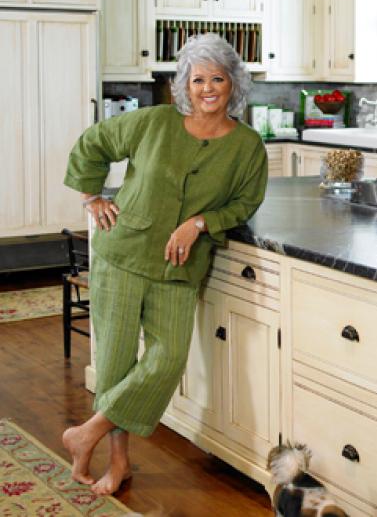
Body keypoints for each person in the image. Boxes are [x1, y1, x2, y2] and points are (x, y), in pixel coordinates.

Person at [61, 34, 268, 495]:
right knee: (114, 363)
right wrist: (92, 197)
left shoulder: (248, 146)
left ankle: (86, 433)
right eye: (198, 80)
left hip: (180, 267)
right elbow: (94, 142)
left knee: (167, 359)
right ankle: (119, 463)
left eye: (218, 79)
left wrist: (200, 223)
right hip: (122, 255)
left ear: (234, 83)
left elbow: (244, 203)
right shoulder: (154, 122)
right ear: (185, 85)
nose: (208, 88)